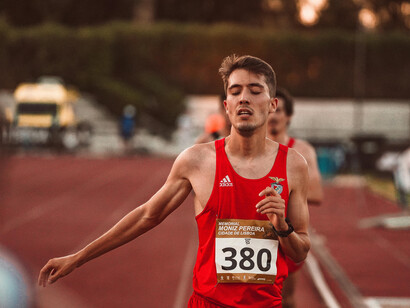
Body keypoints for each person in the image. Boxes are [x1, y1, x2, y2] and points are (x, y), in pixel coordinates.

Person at [38, 55, 310, 307]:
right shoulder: (197, 161)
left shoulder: (294, 165)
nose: (244, 99)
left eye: (255, 90)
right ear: (226, 106)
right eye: (235, 91)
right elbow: (147, 215)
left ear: (273, 104)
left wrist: (283, 228)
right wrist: (78, 258)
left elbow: (300, 252)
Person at [267, 87, 323, 308]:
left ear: (288, 116)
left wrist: (283, 192)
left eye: (279, 111)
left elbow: (317, 194)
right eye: (271, 110)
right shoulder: (252, 148)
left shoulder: (302, 151)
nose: (273, 116)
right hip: (258, 233)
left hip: (288, 234)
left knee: (285, 299)